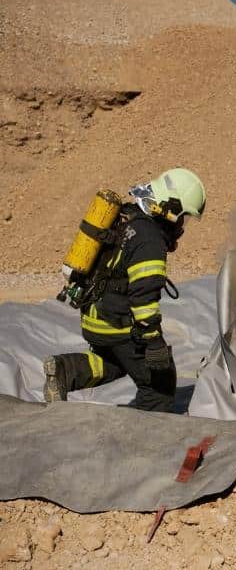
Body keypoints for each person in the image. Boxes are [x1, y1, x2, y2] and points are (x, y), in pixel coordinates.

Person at [43, 168, 206, 412]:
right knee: (159, 385)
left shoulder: (127, 215)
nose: (182, 225)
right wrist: (153, 341)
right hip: (116, 323)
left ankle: (65, 370)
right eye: (183, 216)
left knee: (116, 363)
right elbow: (143, 298)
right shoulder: (150, 240)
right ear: (169, 208)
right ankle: (142, 431)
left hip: (94, 315)